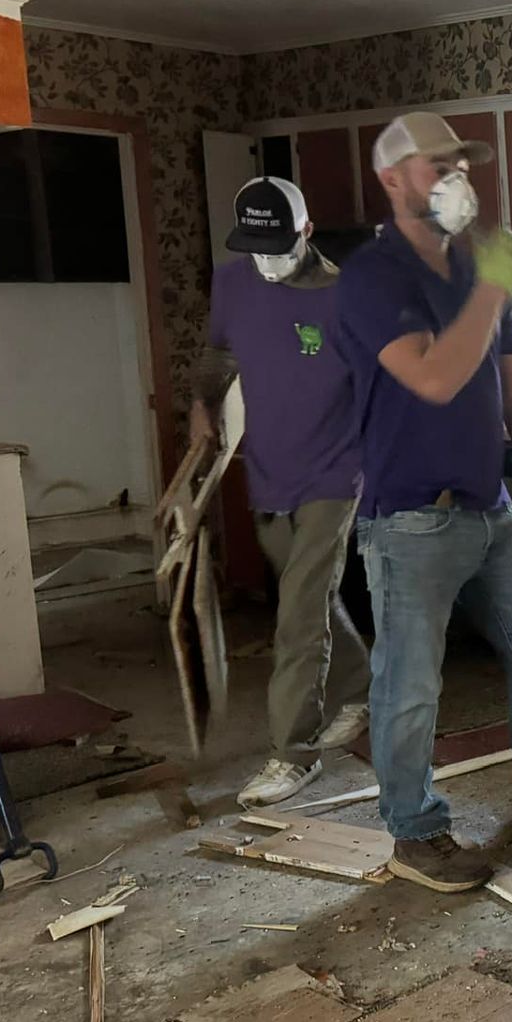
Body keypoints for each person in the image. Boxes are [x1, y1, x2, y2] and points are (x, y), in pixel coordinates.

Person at [336, 112, 512, 893]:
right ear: (391, 181)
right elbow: (436, 376)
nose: (454, 178)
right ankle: (415, 834)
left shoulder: (475, 272)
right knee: (411, 685)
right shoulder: (375, 278)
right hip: (410, 518)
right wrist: (492, 285)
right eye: (434, 165)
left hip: (492, 508)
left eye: (461, 164)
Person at [193, 177, 370, 807]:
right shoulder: (234, 281)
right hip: (268, 471)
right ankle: (362, 685)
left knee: (296, 618)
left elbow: (383, 387)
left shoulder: (347, 296)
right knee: (310, 597)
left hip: (335, 472)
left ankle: (295, 755)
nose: (266, 261)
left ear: (307, 231)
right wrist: (202, 405)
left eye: (278, 246)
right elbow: (218, 354)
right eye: (255, 248)